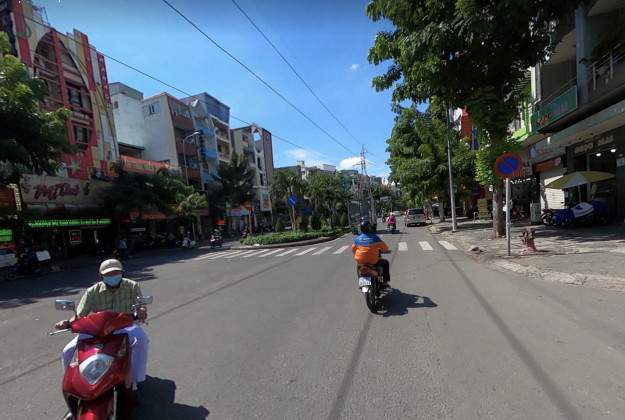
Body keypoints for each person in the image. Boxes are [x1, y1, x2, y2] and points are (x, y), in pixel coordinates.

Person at [55, 259, 149, 388]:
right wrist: (67, 323)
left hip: (124, 325)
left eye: (115, 273)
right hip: (98, 328)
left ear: (122, 273)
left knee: (141, 339)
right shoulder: (93, 291)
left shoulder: (132, 286)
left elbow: (141, 305)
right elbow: (80, 314)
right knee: (68, 351)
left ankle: (135, 380)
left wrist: (142, 311)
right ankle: (73, 384)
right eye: (108, 274)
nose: (112, 276)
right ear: (101, 275)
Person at [351, 220, 391, 286]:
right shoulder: (375, 237)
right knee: (386, 263)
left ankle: (360, 282)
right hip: (373, 261)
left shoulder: (357, 239)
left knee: (358, 267)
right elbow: (385, 248)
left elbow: (353, 250)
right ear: (370, 228)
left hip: (361, 262)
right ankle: (385, 281)